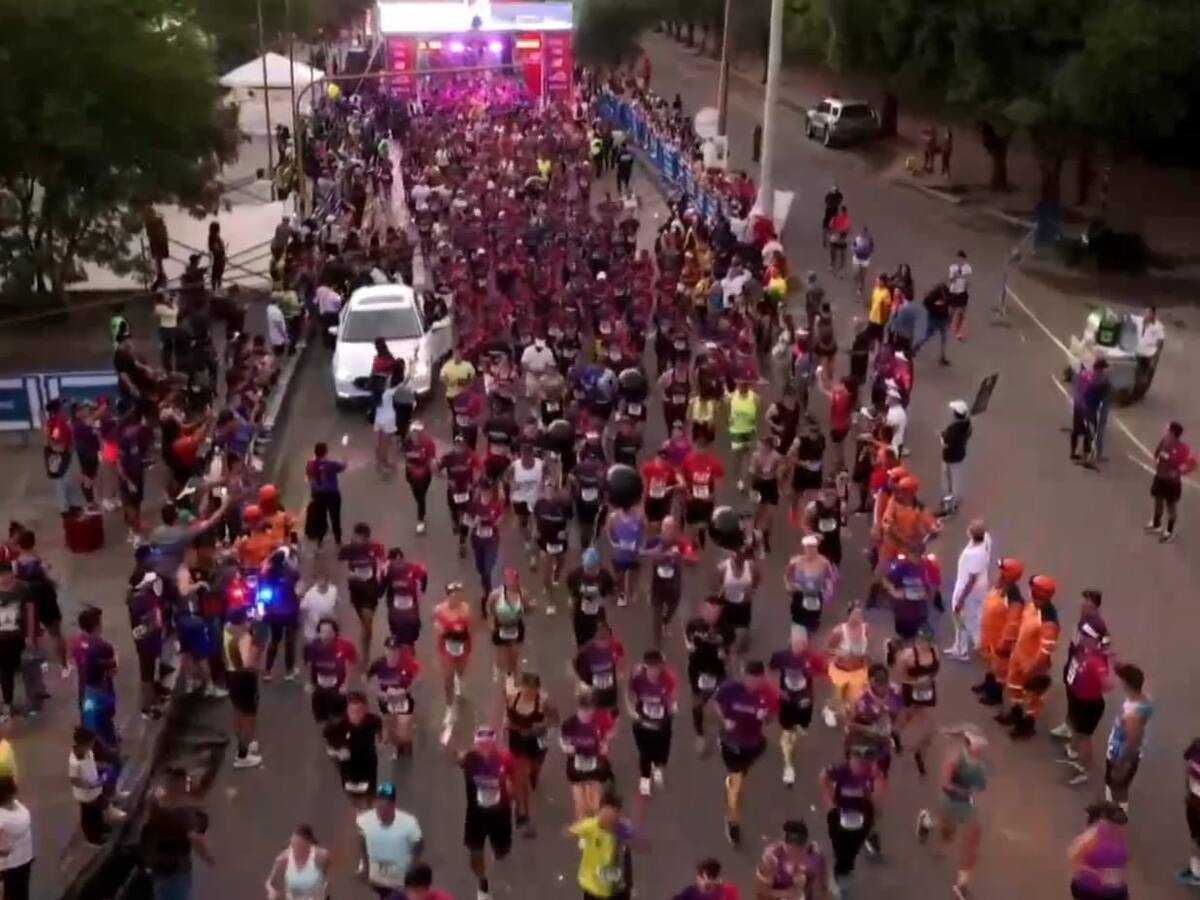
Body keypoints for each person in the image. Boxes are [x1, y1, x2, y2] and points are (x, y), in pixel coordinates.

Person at [916, 726, 988, 900]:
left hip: (967, 804)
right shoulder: (955, 758)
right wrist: (961, 790)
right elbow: (944, 783)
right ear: (969, 744)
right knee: (947, 834)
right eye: (977, 746)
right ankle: (926, 821)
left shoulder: (979, 761)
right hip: (949, 801)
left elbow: (980, 784)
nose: (980, 749)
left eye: (981, 746)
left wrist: (975, 789)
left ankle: (962, 885)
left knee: (972, 840)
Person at [446, 726, 515, 900]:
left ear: (494, 744)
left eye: (488, 745)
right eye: (481, 745)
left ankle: (495, 873)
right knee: (475, 852)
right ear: (476, 744)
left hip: (500, 813)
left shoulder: (505, 758)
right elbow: (454, 756)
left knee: (502, 852)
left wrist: (509, 790)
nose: (485, 748)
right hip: (476, 813)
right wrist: (448, 737)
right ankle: (482, 884)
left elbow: (513, 783)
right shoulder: (469, 759)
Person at [715, 660, 777, 846]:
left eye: (756, 680)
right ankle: (732, 823)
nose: (752, 683)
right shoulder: (730, 688)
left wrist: (766, 717)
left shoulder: (770, 694)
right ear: (744, 675)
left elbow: (772, 717)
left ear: (763, 677)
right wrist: (725, 720)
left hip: (753, 744)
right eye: (749, 679)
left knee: (742, 773)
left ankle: (737, 778)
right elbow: (716, 703)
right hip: (731, 743)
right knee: (736, 786)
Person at [141, 767, 214, 900]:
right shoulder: (183, 813)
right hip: (176, 869)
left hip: (158, 866)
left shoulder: (154, 801)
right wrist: (208, 856)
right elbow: (194, 838)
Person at [1056, 616, 1112, 787]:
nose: (1082, 637)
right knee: (1076, 731)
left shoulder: (1096, 661)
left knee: (1084, 738)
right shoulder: (1084, 649)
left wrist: (1095, 680)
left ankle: (1086, 769)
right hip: (1078, 699)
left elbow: (1107, 685)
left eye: (1086, 636)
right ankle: (1076, 756)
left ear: (1094, 640)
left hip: (1089, 705)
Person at [769, 626, 825, 787]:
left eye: (802, 644)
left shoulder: (813, 658)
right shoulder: (781, 656)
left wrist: (811, 693)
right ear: (789, 641)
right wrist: (778, 691)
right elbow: (770, 671)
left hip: (805, 701)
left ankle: (796, 728)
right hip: (787, 700)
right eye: (796, 643)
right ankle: (788, 766)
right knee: (787, 731)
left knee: (802, 727)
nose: (799, 647)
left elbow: (821, 674)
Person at [819, 746, 877, 887]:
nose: (858, 765)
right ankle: (839, 874)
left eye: (861, 762)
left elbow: (871, 792)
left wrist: (870, 801)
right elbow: (823, 776)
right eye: (855, 761)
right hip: (841, 814)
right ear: (849, 760)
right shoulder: (840, 771)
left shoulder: (869, 773)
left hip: (859, 815)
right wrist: (830, 801)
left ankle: (845, 869)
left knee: (852, 848)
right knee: (840, 847)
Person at [356, 783, 423, 897]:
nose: (382, 807)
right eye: (380, 802)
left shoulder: (408, 822)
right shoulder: (363, 821)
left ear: (393, 805)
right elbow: (359, 842)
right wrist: (364, 868)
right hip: (375, 878)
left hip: (399, 880)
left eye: (387, 803)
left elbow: (418, 842)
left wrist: (414, 866)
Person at [627, 649, 678, 797]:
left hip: (662, 720)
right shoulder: (637, 678)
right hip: (642, 719)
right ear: (645, 666)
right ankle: (645, 777)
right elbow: (629, 693)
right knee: (644, 751)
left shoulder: (668, 678)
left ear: (661, 666)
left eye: (657, 668)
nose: (654, 672)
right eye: (651, 668)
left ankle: (658, 767)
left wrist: (673, 706)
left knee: (662, 748)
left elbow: (673, 694)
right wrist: (631, 710)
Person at [567, 792, 635, 900]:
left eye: (613, 815)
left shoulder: (622, 831)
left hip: (615, 889)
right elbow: (572, 831)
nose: (608, 818)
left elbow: (626, 864)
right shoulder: (590, 826)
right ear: (599, 812)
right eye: (605, 814)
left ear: (618, 814)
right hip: (592, 888)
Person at [1104, 663, 1153, 813]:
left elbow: (1132, 742)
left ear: (1127, 684)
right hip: (1124, 751)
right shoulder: (1144, 699)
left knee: (1117, 785)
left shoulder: (1132, 713)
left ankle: (1117, 811)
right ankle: (1117, 806)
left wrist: (1121, 764)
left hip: (1119, 755)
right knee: (1119, 785)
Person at [69, 726, 124, 846]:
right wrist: (90, 785)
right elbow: (74, 780)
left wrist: (102, 767)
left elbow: (91, 764)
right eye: (91, 743)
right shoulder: (74, 762)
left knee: (97, 811)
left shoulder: (88, 752)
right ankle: (93, 837)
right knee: (90, 816)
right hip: (86, 795)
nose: (92, 745)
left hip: (95, 789)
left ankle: (101, 827)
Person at [946, 520, 991, 660]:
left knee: (960, 618)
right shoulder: (986, 540)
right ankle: (978, 641)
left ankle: (961, 650)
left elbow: (971, 579)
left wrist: (961, 599)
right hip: (981, 586)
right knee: (976, 615)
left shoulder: (972, 554)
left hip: (968, 589)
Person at [1067, 803, 1128, 900]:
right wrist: (1096, 873)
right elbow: (1075, 858)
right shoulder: (1091, 836)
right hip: (1090, 889)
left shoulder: (1118, 836)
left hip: (1113, 890)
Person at [754, 818, 826, 900]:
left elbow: (820, 891)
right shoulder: (773, 856)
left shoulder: (815, 858)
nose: (795, 856)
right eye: (791, 852)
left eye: (799, 851)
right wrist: (785, 893)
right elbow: (762, 891)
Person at [1147, 420, 1195, 543]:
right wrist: (1156, 460)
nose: (1165, 431)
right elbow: (1157, 453)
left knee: (1170, 506)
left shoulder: (1182, 448)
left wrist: (1180, 471)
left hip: (1172, 483)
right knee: (1158, 500)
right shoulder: (1164, 441)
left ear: (1173, 433)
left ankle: (1169, 531)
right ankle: (1157, 524)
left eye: (1168, 429)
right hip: (1160, 478)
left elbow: (1193, 463)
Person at [0, 561, 36, 721]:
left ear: (11, 574)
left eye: (5, 575)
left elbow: (30, 611)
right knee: (5, 671)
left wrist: (30, 635)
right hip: (1, 640)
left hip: (17, 637)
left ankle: (31, 697)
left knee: (18, 667)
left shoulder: (22, 588)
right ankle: (7, 702)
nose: (3, 579)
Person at [264, 824, 331, 900]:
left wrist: (326, 886)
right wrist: (272, 891)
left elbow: (329, 872)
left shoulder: (320, 855)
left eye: (299, 845)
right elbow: (270, 882)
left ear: (308, 844)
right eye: (293, 844)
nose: (295, 849)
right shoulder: (284, 858)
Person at [0, 776, 33, 900]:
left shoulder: (2, 817)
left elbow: (3, 850)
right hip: (25, 858)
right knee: (22, 893)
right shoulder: (19, 807)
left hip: (9, 865)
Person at [940, 401, 972, 515]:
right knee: (955, 481)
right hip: (959, 456)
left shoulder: (953, 429)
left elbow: (945, 443)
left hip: (950, 457)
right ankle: (951, 502)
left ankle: (950, 505)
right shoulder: (967, 424)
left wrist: (942, 437)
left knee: (949, 482)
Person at [1178, 738, 1200, 886]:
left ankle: (1197, 874)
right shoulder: (1196, 747)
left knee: (1197, 841)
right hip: (1193, 802)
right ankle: (1196, 870)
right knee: (1195, 839)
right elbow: (1187, 758)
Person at [947, 250, 972, 340]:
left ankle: (958, 331)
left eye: (961, 259)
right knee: (952, 311)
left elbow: (969, 280)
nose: (959, 261)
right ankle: (948, 323)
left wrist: (967, 284)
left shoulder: (968, 268)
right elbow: (951, 280)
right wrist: (957, 275)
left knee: (961, 312)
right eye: (958, 259)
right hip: (954, 291)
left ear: (964, 259)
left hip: (963, 292)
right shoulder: (952, 268)